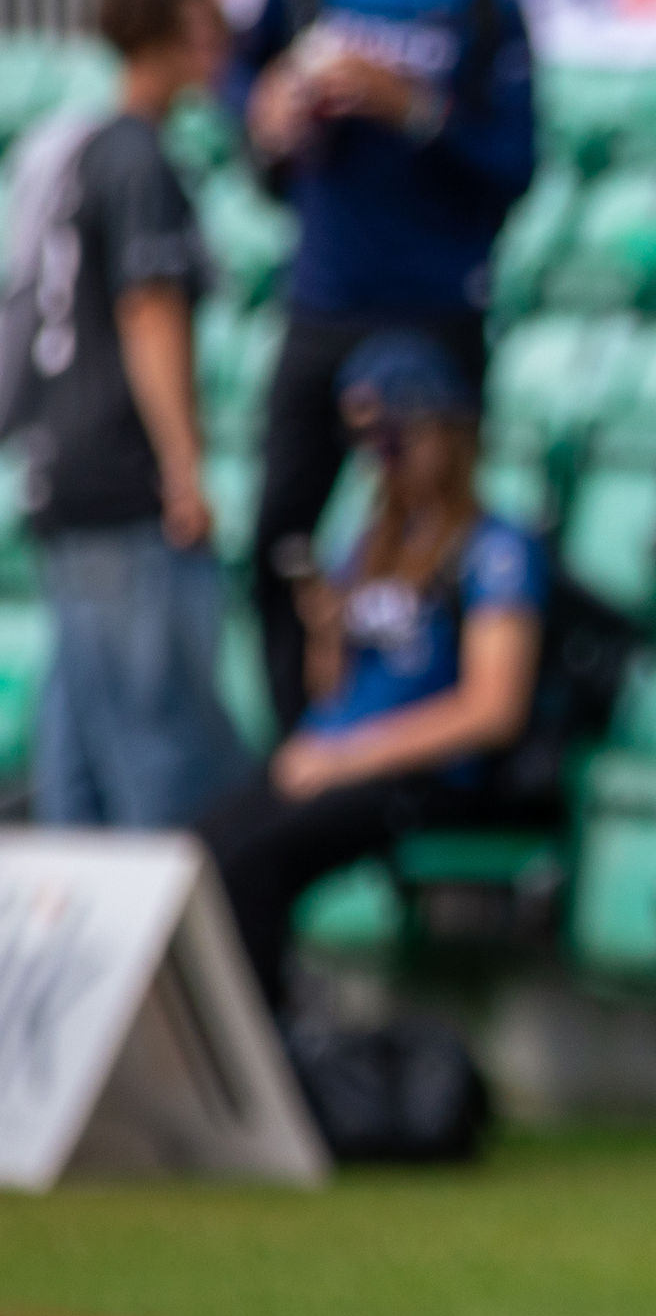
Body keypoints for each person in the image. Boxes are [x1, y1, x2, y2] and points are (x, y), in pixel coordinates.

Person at [228, 0, 537, 742]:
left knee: (431, 537)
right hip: (324, 300)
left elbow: (514, 160)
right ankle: (299, 741)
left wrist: (411, 107)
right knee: (282, 532)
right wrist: (271, 110)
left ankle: (416, 748)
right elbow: (243, 88)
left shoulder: (480, 0)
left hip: (432, 306)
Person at [198, 332, 543, 1013]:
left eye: (393, 438)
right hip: (340, 756)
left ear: (444, 430)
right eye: (365, 444)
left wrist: (347, 758)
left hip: (415, 775)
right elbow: (337, 691)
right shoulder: (371, 542)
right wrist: (326, 633)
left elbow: (492, 708)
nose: (378, 460)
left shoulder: (496, 547)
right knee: (198, 852)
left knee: (253, 865)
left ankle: (269, 1053)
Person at [2, 0, 251, 828]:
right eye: (204, 32)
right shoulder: (137, 156)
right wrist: (184, 467)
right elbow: (150, 312)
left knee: (78, 743)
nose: (217, 52)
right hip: (117, 472)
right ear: (166, 39)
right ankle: (170, 957)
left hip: (59, 467)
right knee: (158, 738)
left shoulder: (75, 152)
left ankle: (74, 951)